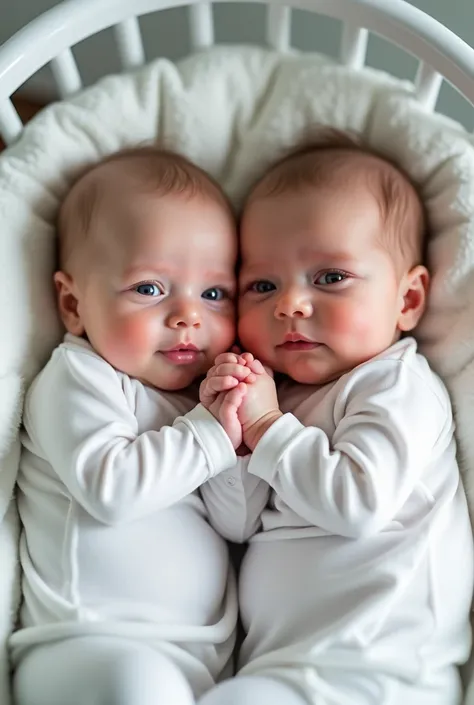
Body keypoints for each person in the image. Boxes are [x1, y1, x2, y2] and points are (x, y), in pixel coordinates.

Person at [198, 129, 474, 705]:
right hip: (285, 668)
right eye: (263, 285)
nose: (290, 304)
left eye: (330, 278)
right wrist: (224, 436)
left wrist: (267, 429)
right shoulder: (284, 397)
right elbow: (237, 526)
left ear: (408, 300)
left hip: (380, 669)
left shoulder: (395, 382)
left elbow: (359, 501)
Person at [11, 146, 265, 705]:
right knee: (140, 689)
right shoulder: (79, 375)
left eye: (214, 293)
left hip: (203, 665)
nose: (188, 316)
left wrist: (240, 441)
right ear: (74, 304)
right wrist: (208, 435)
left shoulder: (198, 403)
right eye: (150, 288)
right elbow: (113, 490)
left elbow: (240, 525)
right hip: (85, 646)